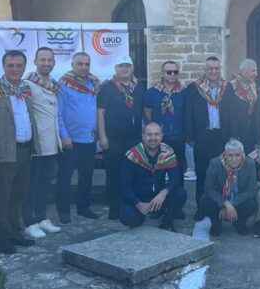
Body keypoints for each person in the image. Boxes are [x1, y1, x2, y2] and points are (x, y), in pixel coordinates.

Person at [0, 50, 38, 254]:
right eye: (10, 65)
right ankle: (1, 238)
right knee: (2, 198)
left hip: (24, 151)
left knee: (18, 196)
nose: (15, 69)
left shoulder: (25, 88)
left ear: (24, 67)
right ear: (3, 66)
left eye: (19, 65)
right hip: (3, 152)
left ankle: (15, 233)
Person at [21, 47, 63, 239]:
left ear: (54, 62)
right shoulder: (28, 84)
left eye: (49, 60)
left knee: (44, 184)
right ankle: (28, 221)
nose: (46, 63)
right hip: (37, 144)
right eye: (42, 60)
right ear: (35, 61)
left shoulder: (53, 84)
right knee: (31, 185)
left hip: (52, 143)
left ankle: (41, 217)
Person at [97, 55, 144, 220]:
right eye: (121, 66)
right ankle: (114, 207)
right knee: (114, 174)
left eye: (127, 66)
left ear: (132, 68)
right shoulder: (107, 88)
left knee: (132, 172)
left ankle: (130, 203)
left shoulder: (139, 88)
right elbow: (100, 113)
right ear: (116, 69)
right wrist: (102, 137)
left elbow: (145, 111)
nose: (124, 69)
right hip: (113, 139)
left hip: (134, 138)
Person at [57, 52, 100, 223]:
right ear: (72, 65)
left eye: (86, 64)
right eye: (79, 63)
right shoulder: (64, 85)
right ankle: (63, 211)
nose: (83, 67)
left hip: (89, 139)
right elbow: (59, 113)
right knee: (65, 177)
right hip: (71, 140)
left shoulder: (93, 84)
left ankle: (84, 208)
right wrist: (64, 136)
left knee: (86, 175)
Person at [120, 122, 186, 232]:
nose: (153, 138)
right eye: (149, 134)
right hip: (139, 197)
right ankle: (139, 218)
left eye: (156, 134)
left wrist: (164, 193)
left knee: (180, 193)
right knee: (126, 216)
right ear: (143, 136)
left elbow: (175, 178)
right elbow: (124, 186)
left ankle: (166, 221)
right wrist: (138, 203)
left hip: (159, 197)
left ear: (161, 136)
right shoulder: (132, 155)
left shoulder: (167, 152)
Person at [186, 56, 227, 203]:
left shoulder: (226, 87)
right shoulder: (194, 88)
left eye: (216, 68)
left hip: (221, 136)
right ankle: (201, 206)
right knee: (201, 172)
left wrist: (232, 134)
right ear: (204, 70)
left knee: (221, 172)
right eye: (210, 68)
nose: (213, 71)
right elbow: (188, 113)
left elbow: (232, 111)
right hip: (201, 136)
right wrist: (190, 136)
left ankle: (219, 205)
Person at [197, 140, 257, 236]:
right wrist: (224, 203)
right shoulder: (215, 163)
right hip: (220, 199)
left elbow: (251, 190)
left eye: (237, 155)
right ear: (225, 155)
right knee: (206, 202)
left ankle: (239, 222)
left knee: (251, 204)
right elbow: (208, 188)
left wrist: (232, 204)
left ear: (242, 154)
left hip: (238, 200)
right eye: (230, 155)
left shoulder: (250, 163)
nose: (234, 159)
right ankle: (216, 223)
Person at [144, 60, 187, 177]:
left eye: (175, 72)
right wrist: (155, 125)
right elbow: (147, 110)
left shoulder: (184, 92)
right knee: (158, 173)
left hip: (178, 137)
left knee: (178, 172)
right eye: (169, 72)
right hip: (158, 139)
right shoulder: (152, 92)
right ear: (162, 73)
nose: (172, 74)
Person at [222, 58, 259, 152]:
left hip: (251, 134)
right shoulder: (230, 86)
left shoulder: (254, 86)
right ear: (243, 71)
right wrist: (232, 134)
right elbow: (227, 113)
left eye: (256, 71)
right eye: (253, 71)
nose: (256, 74)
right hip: (236, 134)